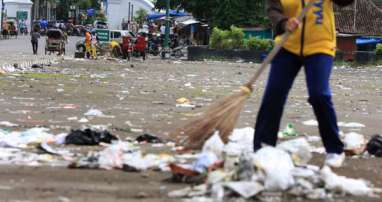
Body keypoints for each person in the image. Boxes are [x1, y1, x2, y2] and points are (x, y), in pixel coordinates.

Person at [253, 0, 354, 168]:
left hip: (320, 45)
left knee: (319, 95)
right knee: (273, 95)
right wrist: (284, 22)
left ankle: (335, 149)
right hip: (288, 45)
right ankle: (263, 148)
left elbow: (345, 2)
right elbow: (273, 10)